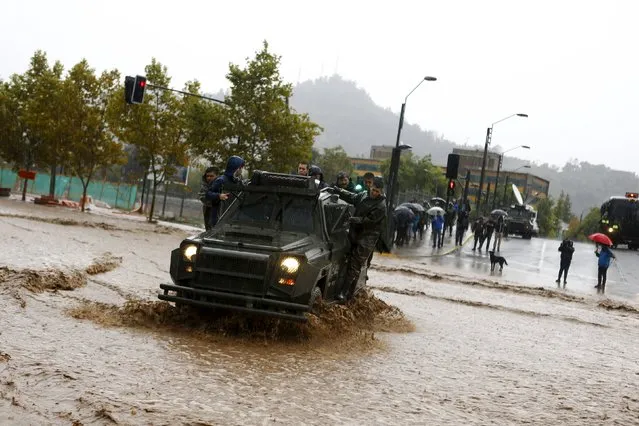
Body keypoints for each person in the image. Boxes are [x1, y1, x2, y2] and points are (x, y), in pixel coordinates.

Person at [330, 177, 388, 302]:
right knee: (345, 258)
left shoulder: (381, 206)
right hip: (355, 232)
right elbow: (351, 197)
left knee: (355, 264)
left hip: (368, 236)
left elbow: (369, 221)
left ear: (381, 191)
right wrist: (337, 190)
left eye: (377, 191)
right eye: (373, 190)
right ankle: (343, 291)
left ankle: (344, 293)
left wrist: (353, 219)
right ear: (370, 187)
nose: (374, 193)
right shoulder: (363, 195)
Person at [205, 156, 245, 228]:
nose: (241, 170)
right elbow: (208, 194)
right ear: (236, 168)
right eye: (240, 168)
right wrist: (219, 196)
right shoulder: (221, 180)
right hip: (218, 219)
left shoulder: (239, 182)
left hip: (231, 220)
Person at [198, 166, 219, 231]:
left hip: (220, 211)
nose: (209, 178)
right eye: (207, 176)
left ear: (217, 176)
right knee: (209, 229)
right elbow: (202, 197)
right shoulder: (205, 185)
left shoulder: (221, 184)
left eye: (211, 176)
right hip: (209, 209)